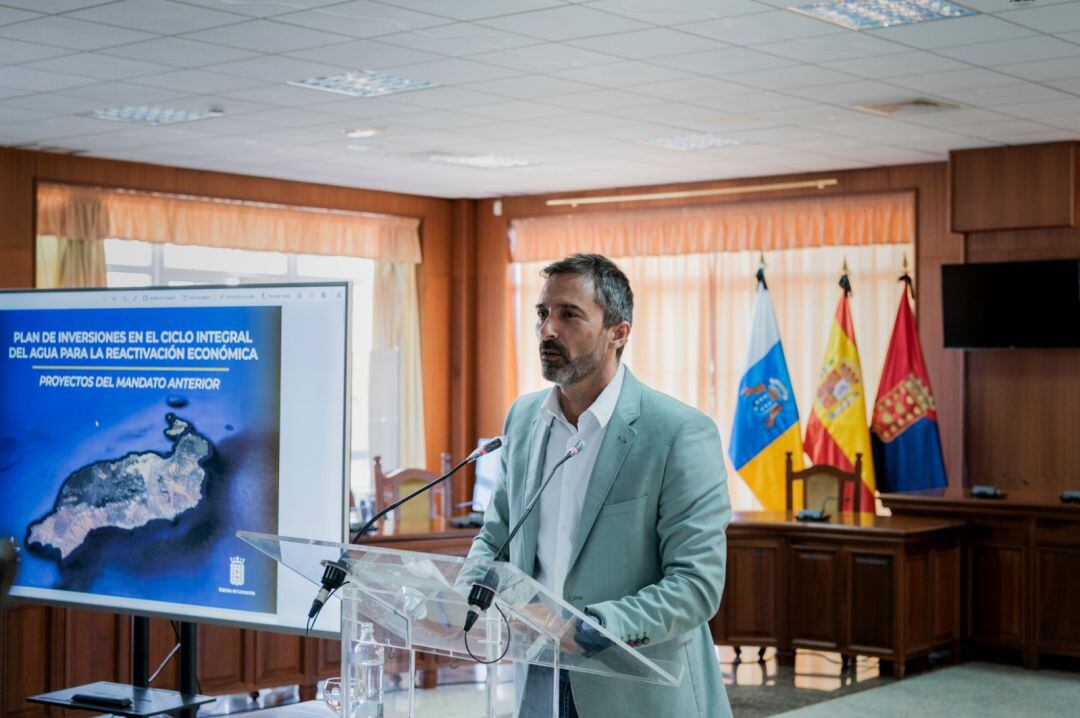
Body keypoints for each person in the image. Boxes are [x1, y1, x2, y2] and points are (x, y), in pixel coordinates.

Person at [466, 253, 732, 717]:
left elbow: (696, 586)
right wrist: (466, 591)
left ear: (618, 333)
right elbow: (497, 536)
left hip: (635, 687)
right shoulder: (525, 418)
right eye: (542, 314)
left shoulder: (677, 432)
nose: (548, 330)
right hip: (537, 674)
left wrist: (588, 626)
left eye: (569, 314)